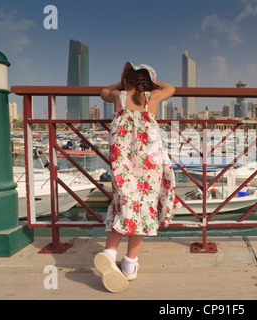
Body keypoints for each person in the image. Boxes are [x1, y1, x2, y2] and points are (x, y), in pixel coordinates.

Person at [94, 62, 180, 293]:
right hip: (149, 157)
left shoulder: (118, 96)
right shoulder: (153, 96)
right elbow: (171, 87)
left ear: (125, 81)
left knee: (123, 200)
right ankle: (130, 264)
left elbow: (103, 91)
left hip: (122, 157)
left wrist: (121, 83)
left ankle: (109, 253)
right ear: (148, 82)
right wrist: (151, 83)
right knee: (145, 204)